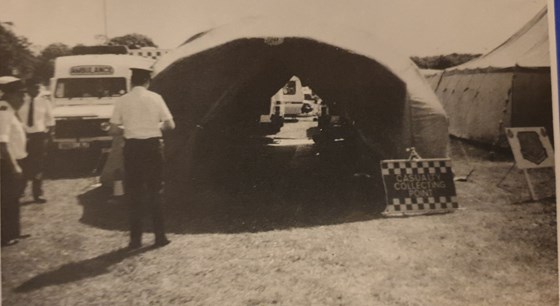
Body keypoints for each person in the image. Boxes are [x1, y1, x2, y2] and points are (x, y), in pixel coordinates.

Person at [109, 67, 175, 249]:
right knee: (156, 191)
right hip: (153, 147)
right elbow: (170, 124)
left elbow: (113, 129)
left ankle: (135, 240)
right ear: (148, 81)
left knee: (134, 193)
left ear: (131, 82)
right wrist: (153, 128)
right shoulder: (156, 98)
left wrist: (129, 129)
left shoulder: (122, 100)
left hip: (133, 149)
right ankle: (160, 237)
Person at [0, 76, 28, 246]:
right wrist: (15, 167)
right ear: (10, 95)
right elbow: (2, 143)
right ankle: (7, 235)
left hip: (15, 161)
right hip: (7, 164)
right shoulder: (3, 112)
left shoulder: (9, 111)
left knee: (14, 198)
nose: (23, 99)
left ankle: (14, 232)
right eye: (20, 95)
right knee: (8, 199)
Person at [18, 82, 55, 203]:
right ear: (28, 88)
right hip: (22, 135)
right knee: (21, 163)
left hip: (38, 136)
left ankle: (37, 193)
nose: (37, 90)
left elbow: (50, 118)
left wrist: (49, 134)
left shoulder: (44, 101)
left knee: (38, 165)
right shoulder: (20, 99)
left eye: (38, 88)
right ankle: (19, 191)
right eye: (34, 87)